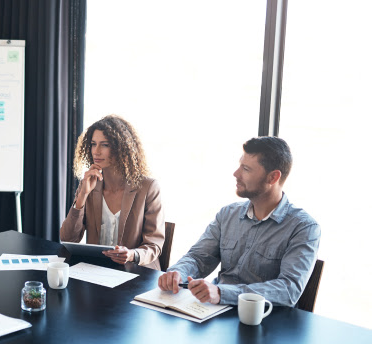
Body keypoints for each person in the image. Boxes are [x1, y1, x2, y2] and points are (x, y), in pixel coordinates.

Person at [158, 137, 321, 307]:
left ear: (273, 177)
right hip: (213, 310)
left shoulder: (304, 228)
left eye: (246, 169)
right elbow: (198, 257)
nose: (236, 174)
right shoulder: (228, 214)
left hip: (263, 321)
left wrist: (222, 293)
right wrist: (178, 272)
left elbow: (288, 290)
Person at [60, 115, 165, 269]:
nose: (96, 151)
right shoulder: (89, 184)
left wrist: (131, 254)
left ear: (121, 148)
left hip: (136, 272)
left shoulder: (148, 187)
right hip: (98, 270)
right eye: (93, 144)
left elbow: (154, 245)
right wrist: (82, 197)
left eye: (105, 145)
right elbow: (68, 238)